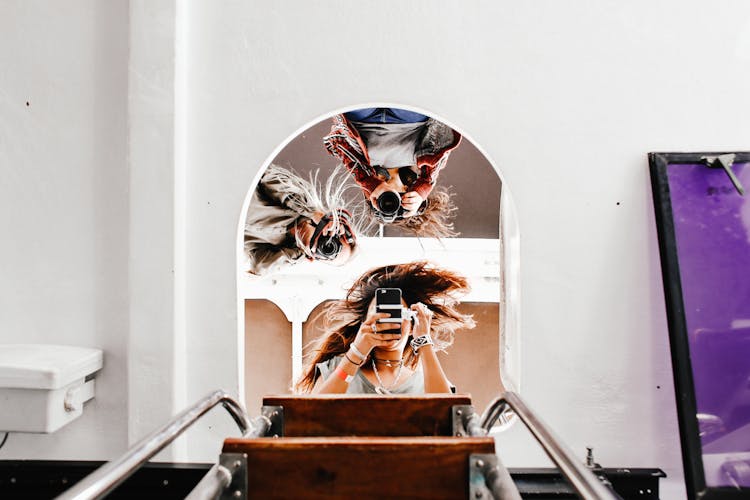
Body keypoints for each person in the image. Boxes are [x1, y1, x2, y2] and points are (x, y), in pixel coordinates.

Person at [295, 261, 476, 394]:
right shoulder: (338, 368)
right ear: (365, 321)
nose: (389, 320)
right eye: (379, 313)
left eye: (398, 313)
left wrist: (424, 341)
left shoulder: (426, 380)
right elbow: (315, 414)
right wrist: (357, 352)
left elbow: (447, 416)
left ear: (411, 321)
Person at [323, 108, 461, 238]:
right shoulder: (423, 163)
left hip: (362, 121)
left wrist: (369, 182)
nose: (395, 192)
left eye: (388, 199)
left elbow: (335, 141)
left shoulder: (362, 167)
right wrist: (422, 188)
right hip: (409, 121)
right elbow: (443, 143)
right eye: (403, 196)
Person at [244, 164, 358, 276]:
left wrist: (301, 254)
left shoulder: (283, 250)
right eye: (333, 243)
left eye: (328, 254)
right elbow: (265, 175)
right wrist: (313, 213)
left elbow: (258, 267)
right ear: (333, 229)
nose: (325, 246)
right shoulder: (304, 198)